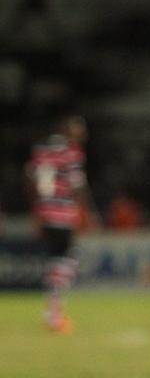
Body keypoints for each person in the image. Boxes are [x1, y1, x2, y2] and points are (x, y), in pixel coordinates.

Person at [25, 115, 92, 333]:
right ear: (67, 131)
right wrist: (86, 213)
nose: (82, 135)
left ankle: (52, 311)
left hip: (45, 213)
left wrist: (36, 210)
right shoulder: (71, 153)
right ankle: (54, 312)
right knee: (69, 260)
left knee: (57, 261)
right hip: (63, 214)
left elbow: (30, 178)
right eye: (78, 131)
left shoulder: (42, 150)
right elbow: (78, 185)